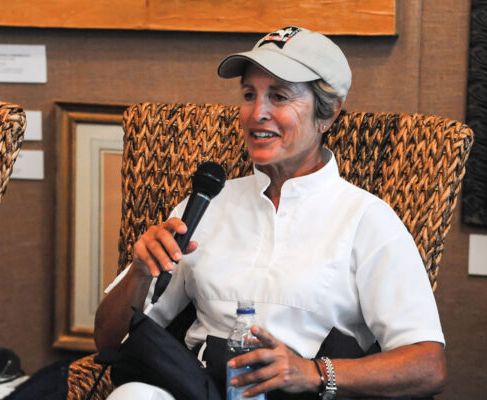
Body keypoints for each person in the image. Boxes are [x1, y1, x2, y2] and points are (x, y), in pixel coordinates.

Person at [94, 26, 446, 400]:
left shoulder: (367, 220)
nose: (257, 113)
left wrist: (313, 373)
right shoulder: (207, 203)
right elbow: (108, 342)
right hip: (201, 388)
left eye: (279, 96)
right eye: (249, 95)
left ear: (327, 114)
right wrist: (139, 273)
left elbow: (428, 366)